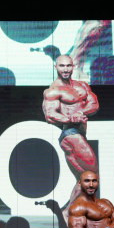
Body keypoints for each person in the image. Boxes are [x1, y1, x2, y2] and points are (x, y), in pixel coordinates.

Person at [42, 54, 100, 215]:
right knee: (92, 175)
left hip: (80, 133)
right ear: (56, 67)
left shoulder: (82, 85)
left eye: (68, 65)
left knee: (83, 178)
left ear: (73, 66)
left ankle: (68, 212)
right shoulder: (53, 90)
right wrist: (70, 118)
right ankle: (74, 211)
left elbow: (94, 104)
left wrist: (80, 112)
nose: (65, 69)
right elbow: (50, 115)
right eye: (62, 66)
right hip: (69, 133)